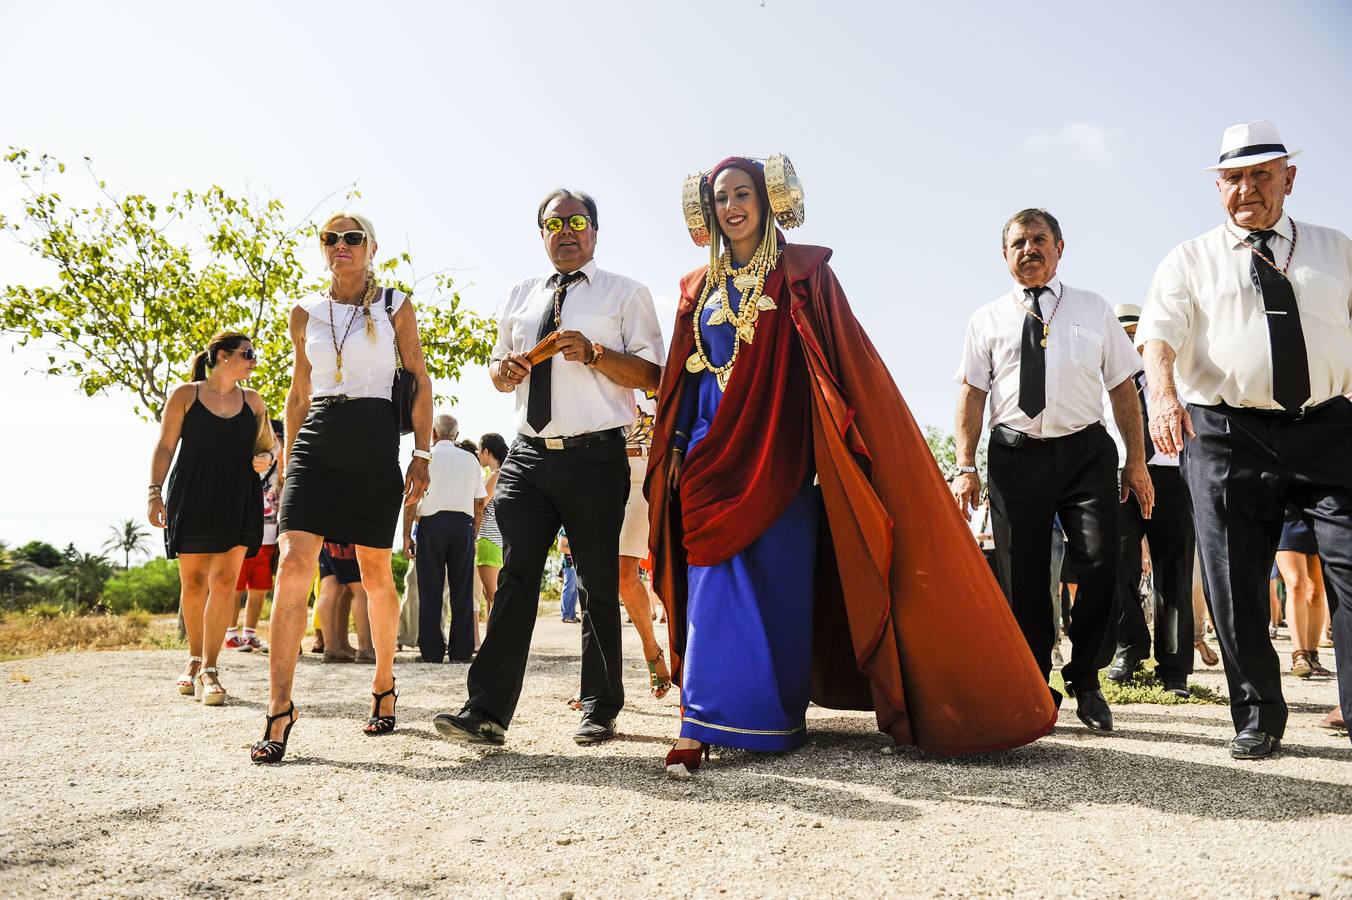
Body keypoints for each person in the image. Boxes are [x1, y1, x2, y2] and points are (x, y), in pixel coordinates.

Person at [650, 155, 1055, 776]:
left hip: (782, 459)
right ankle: (698, 723)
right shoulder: (692, 290)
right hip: (708, 457)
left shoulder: (802, 274)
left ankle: (773, 719)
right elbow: (681, 377)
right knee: (711, 583)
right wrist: (674, 447)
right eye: (720, 198)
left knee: (778, 589)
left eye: (742, 194)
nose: (731, 207)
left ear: (765, 200)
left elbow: (844, 363)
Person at [1137, 120, 1352, 759]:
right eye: (1233, 177)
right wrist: (1165, 398)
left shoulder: (1335, 249)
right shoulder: (1189, 258)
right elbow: (1159, 337)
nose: (1247, 188)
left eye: (1262, 174)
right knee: (1232, 579)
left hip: (1330, 427)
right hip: (1228, 432)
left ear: (1290, 178)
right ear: (1219, 186)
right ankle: (1258, 717)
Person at [434, 188, 663, 748]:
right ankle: (485, 711)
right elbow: (496, 366)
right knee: (514, 580)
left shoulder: (625, 293)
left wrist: (597, 355)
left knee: (598, 582)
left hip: (596, 454)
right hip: (528, 456)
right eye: (553, 223)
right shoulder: (519, 294)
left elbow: (655, 374)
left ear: (595, 231)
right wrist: (504, 373)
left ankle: (599, 706)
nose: (566, 231)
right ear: (540, 233)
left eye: (578, 221)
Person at [954, 207, 1155, 733]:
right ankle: (1034, 681)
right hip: (1016, 455)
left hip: (1087, 452)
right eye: (1018, 243)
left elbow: (1122, 387)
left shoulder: (1093, 308)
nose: (1029, 250)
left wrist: (1135, 460)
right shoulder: (987, 318)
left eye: (1038, 240)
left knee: (1104, 561)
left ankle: (1085, 678)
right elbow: (972, 393)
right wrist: (964, 465)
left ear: (1060, 247)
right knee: (1022, 578)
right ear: (1004, 255)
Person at [250, 211, 433, 764]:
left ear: (372, 246)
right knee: (293, 564)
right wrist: (285, 458)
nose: (341, 246)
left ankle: (383, 684)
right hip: (316, 441)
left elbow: (420, 380)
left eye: (352, 238)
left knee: (374, 572)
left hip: (375, 438)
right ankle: (279, 709)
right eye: (330, 239)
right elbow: (298, 393)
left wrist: (422, 454)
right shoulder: (304, 311)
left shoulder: (394, 304)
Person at [149, 332, 274, 707]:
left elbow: (268, 447)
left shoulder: (253, 401)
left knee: (225, 582)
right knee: (193, 584)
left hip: (238, 497)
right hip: (193, 494)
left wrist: (266, 461)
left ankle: (211, 668)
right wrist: (154, 492)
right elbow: (166, 445)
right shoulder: (185, 395)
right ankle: (192, 658)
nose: (253, 361)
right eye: (247, 354)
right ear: (222, 356)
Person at [1103, 304, 1197, 698]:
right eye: (1122, 334)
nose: (1129, 341)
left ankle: (1174, 669)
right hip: (1120, 475)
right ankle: (1130, 647)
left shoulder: (1179, 376)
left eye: (1135, 334)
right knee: (1114, 566)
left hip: (1173, 475)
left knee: (1173, 571)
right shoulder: (1099, 377)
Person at [403, 413, 486, 663]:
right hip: (462, 525)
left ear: (433, 434)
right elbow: (479, 502)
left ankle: (431, 651)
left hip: (431, 526)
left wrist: (406, 536)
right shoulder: (471, 460)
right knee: (462, 589)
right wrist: (474, 531)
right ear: (456, 435)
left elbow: (410, 501)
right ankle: (461, 651)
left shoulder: (424, 459)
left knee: (430, 589)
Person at [619, 390, 671, 698]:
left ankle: (655, 654)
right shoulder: (592, 365)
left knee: (627, 574)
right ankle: (596, 684)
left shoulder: (654, 371)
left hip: (649, 476)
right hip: (601, 474)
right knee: (601, 580)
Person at [227, 418, 285, 654]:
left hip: (270, 536)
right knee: (235, 587)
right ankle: (230, 633)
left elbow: (284, 478)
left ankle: (249, 633)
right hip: (244, 534)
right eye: (274, 437)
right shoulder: (249, 460)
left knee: (260, 588)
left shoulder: (280, 464)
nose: (277, 442)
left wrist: (279, 453)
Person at [1274, 505, 1330, 679]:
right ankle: (1300, 655)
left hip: (1316, 512)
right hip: (1285, 514)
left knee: (1315, 591)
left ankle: (1313, 655)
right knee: (1296, 583)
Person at [317, 543, 372, 662]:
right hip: (347, 537)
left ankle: (332, 647)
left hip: (324, 536)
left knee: (330, 585)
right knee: (360, 589)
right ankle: (365, 648)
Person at [475, 432, 508, 625]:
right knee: (493, 599)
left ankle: (500, 643)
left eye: (480, 451)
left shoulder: (495, 476)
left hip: (488, 540)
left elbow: (479, 505)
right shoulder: (509, 473)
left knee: (493, 598)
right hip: (500, 542)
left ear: (487, 452)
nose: (479, 455)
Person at [557, 529, 578, 623]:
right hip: (569, 565)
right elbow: (561, 547)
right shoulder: (565, 529)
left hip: (576, 565)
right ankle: (565, 615)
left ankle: (572, 615)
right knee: (568, 589)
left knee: (575, 591)